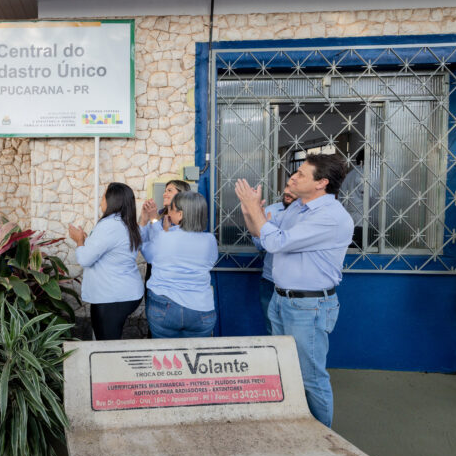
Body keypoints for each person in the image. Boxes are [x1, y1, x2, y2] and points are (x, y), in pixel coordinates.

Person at [235, 153, 353, 428]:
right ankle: (297, 428)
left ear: (321, 183)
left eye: (301, 173)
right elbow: (263, 237)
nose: (293, 177)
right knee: (286, 370)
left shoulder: (331, 217)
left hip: (308, 307)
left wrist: (255, 210)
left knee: (311, 378)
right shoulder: (297, 208)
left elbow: (277, 242)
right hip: (281, 298)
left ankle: (323, 442)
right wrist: (248, 208)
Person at [68, 182, 144, 340]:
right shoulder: (126, 223)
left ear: (112, 201)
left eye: (103, 196)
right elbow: (111, 250)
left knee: (106, 347)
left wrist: (79, 241)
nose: (101, 200)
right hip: (126, 293)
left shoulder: (109, 225)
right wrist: (87, 241)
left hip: (111, 297)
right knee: (110, 342)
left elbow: (85, 259)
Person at [139, 192, 218, 338]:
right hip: (201, 310)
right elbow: (209, 261)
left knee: (165, 357)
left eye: (172, 208)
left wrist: (148, 220)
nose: (168, 211)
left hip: (164, 307)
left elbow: (146, 251)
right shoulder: (210, 240)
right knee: (194, 358)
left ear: (180, 214)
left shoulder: (164, 237)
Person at [252, 188, 297, 334]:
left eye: (293, 188)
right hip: (270, 281)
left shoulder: (308, 215)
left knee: (297, 333)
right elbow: (259, 244)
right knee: (272, 330)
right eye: (287, 187)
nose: (287, 191)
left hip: (296, 286)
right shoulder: (271, 210)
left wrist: (271, 231)